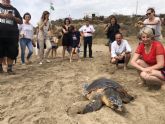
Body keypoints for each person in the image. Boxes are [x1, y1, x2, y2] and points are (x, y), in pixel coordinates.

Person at [0, 0, 22, 74]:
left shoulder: (14, 9)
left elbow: (20, 21)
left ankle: (9, 69)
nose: (7, 0)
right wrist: (3, 16)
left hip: (12, 35)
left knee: (12, 52)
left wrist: (13, 18)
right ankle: (0, 68)